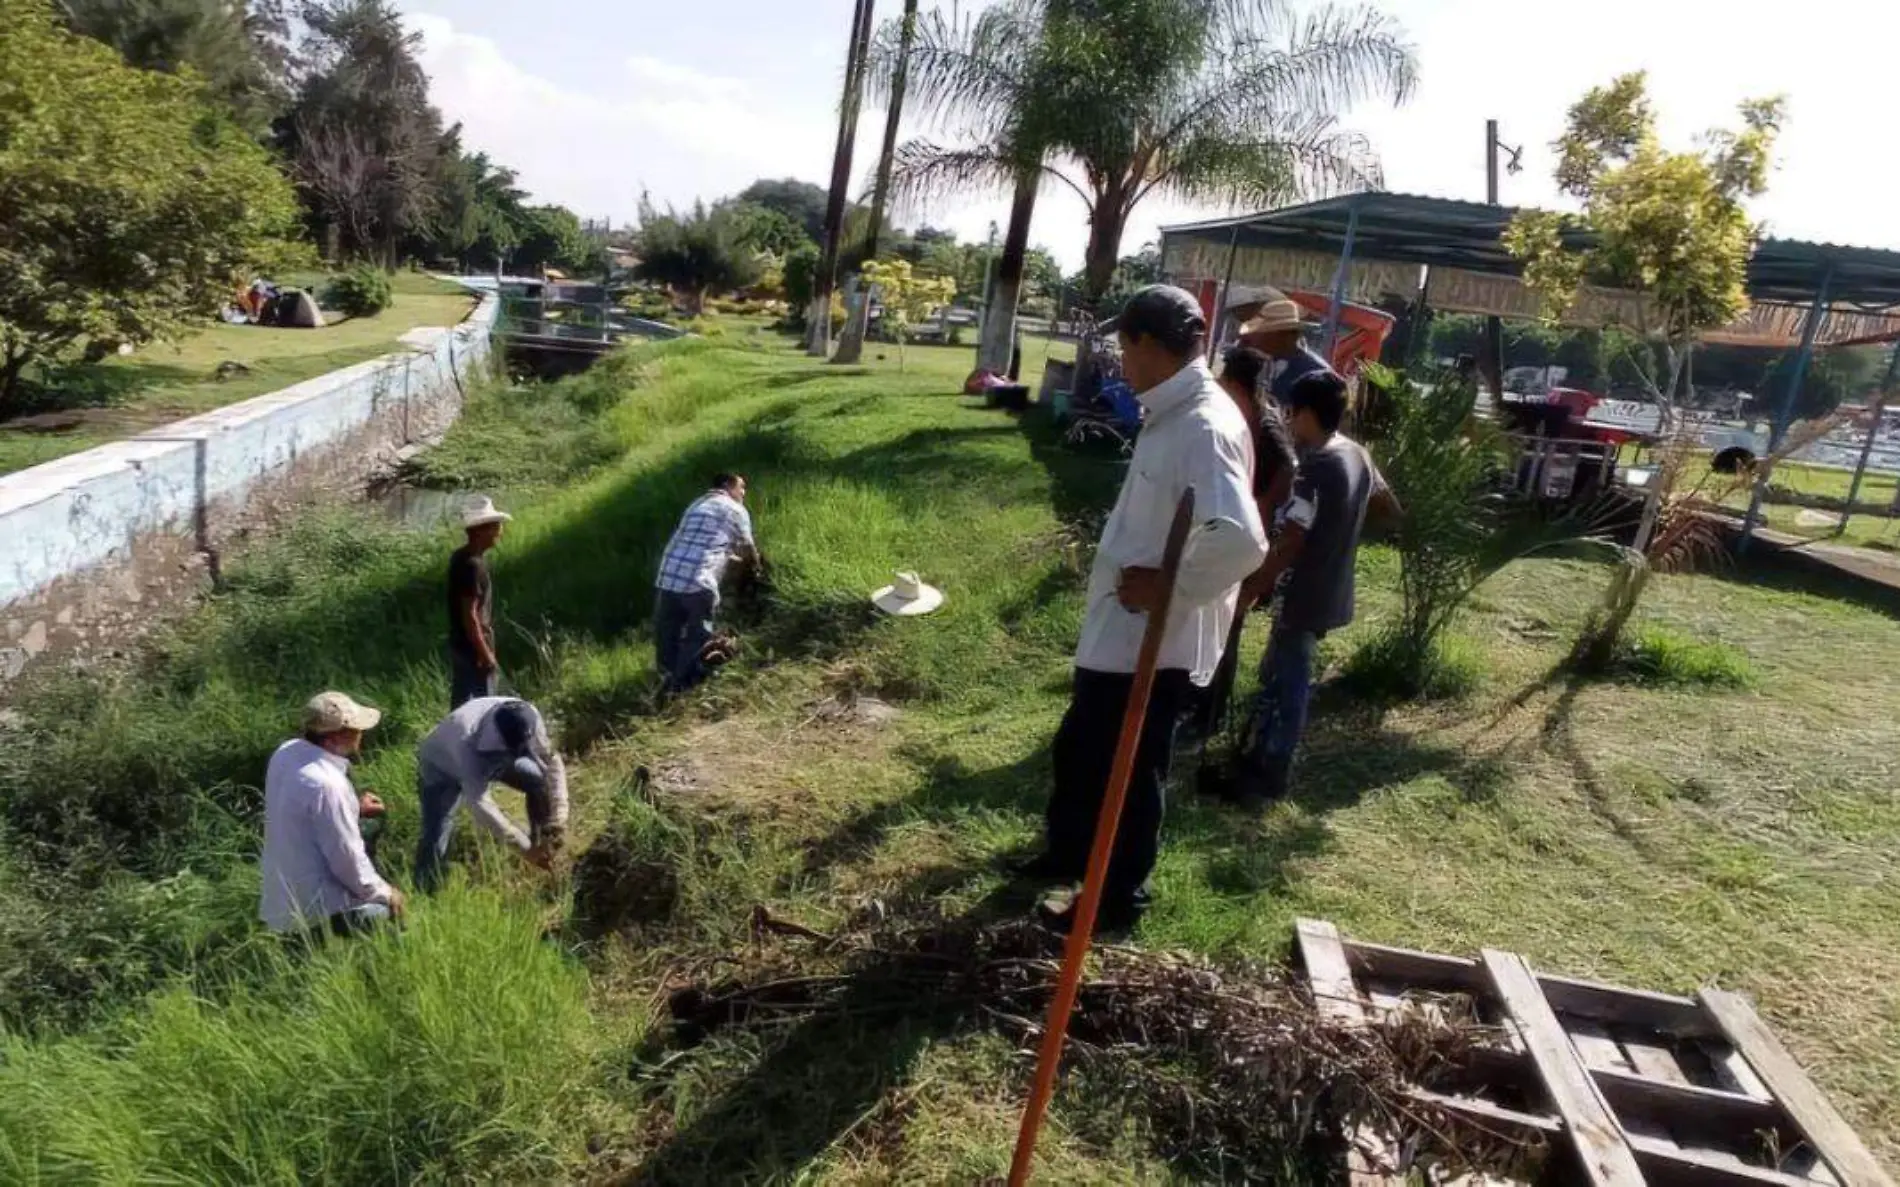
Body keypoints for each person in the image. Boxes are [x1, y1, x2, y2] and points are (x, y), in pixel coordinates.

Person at [1017, 285, 1269, 934]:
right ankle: (1069, 855)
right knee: (1081, 748)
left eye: (1122, 345)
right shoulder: (1174, 409)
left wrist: (1169, 588)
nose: (1119, 360)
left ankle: (1116, 899)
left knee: (1128, 771)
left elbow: (1242, 537)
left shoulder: (1204, 423)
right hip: (1121, 627)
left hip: (1154, 638)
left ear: (1147, 344)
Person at [1230, 370, 1401, 806]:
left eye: (1291, 414)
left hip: (1303, 594)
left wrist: (1251, 590)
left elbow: (1290, 541)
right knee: (1275, 671)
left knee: (1289, 681)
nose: (1288, 423)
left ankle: (1272, 771)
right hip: (1333, 587)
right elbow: (1388, 505)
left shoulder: (1315, 466)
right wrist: (1345, 530)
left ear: (1306, 413)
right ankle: (1257, 746)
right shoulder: (1358, 454)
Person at [1189, 346, 1300, 739]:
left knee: (1226, 623)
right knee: (1209, 618)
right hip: (1227, 531)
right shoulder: (1244, 415)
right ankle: (1197, 702)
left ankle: (1209, 715)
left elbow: (1287, 471)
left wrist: (1262, 510)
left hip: (1248, 541)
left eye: (1225, 382)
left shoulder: (1267, 428)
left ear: (1239, 384)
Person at [259, 691, 405, 938]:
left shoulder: (286, 753)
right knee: (387, 912)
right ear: (341, 734)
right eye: (358, 729)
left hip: (282, 904)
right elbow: (346, 860)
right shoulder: (328, 786)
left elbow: (306, 809)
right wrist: (387, 893)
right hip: (316, 910)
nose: (361, 734)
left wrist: (352, 807)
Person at [413, 696, 570, 892]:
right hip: (440, 767)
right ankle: (425, 889)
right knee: (437, 835)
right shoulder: (466, 742)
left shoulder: (527, 715)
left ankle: (542, 845)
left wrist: (559, 817)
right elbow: (481, 806)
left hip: (496, 756)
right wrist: (523, 849)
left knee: (537, 779)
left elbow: (551, 761)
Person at [653, 473, 757, 696]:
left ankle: (666, 677)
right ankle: (679, 689)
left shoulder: (697, 506)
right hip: (699, 583)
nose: (744, 493)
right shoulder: (736, 510)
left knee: (667, 634)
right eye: (742, 487)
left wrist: (731, 559)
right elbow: (748, 548)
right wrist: (756, 567)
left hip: (668, 577)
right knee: (697, 635)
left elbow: (707, 547)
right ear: (729, 486)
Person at [448, 497, 511, 708]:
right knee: (481, 706)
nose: (499, 533)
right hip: (473, 649)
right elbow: (470, 614)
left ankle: (457, 738)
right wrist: (485, 653)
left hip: (462, 645)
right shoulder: (472, 566)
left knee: (463, 703)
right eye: (496, 527)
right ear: (479, 531)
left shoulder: (460, 557)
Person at [1239, 295, 1331, 401]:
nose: (1258, 340)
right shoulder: (1260, 363)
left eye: (1264, 334)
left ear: (1284, 335)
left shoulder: (1317, 374)